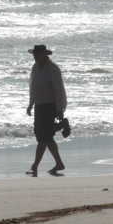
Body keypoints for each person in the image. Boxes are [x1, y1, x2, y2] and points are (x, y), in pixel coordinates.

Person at [26, 44, 67, 176]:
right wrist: (31, 103)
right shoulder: (35, 67)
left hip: (50, 106)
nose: (35, 57)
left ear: (44, 55)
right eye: (34, 55)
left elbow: (59, 90)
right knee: (44, 137)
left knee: (44, 137)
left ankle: (35, 166)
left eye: (37, 55)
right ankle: (58, 163)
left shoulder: (53, 69)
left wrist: (60, 109)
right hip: (39, 106)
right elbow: (33, 87)